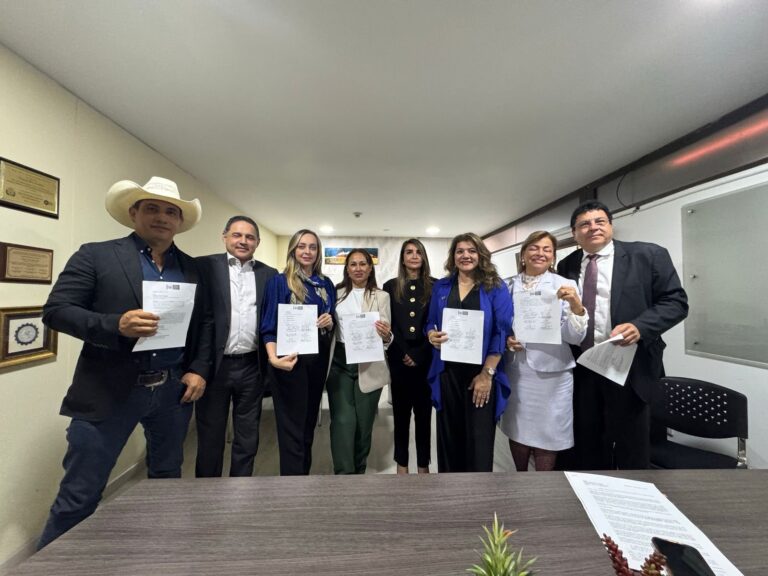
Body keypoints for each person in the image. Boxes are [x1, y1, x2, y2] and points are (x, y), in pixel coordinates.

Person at [37, 176, 212, 548]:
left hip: (171, 392)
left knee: (166, 478)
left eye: (170, 211)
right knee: (79, 495)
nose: (162, 217)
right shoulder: (96, 255)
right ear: (133, 213)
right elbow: (56, 311)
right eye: (151, 208)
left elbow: (205, 323)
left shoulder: (193, 268)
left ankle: (158, 554)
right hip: (107, 391)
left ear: (179, 221)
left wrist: (197, 368)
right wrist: (114, 324)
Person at [556, 200, 688, 470]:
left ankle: (633, 501)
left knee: (633, 444)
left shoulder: (648, 255)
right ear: (574, 233)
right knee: (589, 441)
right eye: (584, 224)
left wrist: (641, 327)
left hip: (631, 367)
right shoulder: (567, 265)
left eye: (599, 221)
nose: (593, 228)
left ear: (611, 226)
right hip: (585, 367)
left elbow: (676, 303)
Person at [194, 216, 277, 477]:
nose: (243, 241)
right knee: (210, 436)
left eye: (250, 237)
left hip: (252, 366)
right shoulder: (204, 267)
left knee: (248, 437)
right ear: (225, 236)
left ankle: (241, 492)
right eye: (237, 235)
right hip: (215, 367)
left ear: (257, 242)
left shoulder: (268, 274)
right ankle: (207, 494)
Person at [498, 231, 587, 471]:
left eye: (547, 249)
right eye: (534, 248)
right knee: (518, 428)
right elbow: (500, 324)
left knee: (549, 432)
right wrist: (506, 339)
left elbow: (574, 337)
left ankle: (543, 483)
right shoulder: (507, 285)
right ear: (524, 254)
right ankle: (520, 477)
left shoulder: (565, 286)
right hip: (517, 371)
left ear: (553, 256)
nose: (540, 253)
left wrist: (577, 307)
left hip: (553, 374)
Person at [426, 233, 513, 473]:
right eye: (460, 251)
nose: (466, 255)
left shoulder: (495, 287)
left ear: (481, 254)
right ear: (453, 256)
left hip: (481, 374)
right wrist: (431, 335)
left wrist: (487, 374)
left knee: (478, 439)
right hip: (447, 372)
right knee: (449, 437)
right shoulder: (442, 286)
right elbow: (431, 322)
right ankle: (450, 496)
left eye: (471, 251)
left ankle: (478, 498)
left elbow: (501, 331)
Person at [259, 229, 335, 475]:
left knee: (308, 424)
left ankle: (304, 478)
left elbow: (332, 320)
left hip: (318, 361)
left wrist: (329, 321)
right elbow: (268, 327)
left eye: (313, 247)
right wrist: (273, 359)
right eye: (302, 246)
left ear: (318, 252)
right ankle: (291, 485)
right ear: (293, 249)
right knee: (291, 428)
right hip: (288, 362)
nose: (307, 251)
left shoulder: (326, 284)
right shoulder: (279, 283)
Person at [326, 249, 392, 474]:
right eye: (353, 264)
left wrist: (386, 335)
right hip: (339, 363)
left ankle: (359, 470)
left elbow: (388, 336)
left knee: (364, 425)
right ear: (347, 268)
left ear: (370, 267)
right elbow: (329, 329)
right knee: (343, 421)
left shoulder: (381, 296)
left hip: (369, 363)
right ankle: (344, 474)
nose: (358, 268)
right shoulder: (335, 293)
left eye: (363, 264)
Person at [383, 239, 435, 474]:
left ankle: (423, 465)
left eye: (418, 252)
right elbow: (388, 324)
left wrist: (420, 354)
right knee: (401, 417)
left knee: (424, 417)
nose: (414, 256)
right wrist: (402, 353)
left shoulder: (436, 286)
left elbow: (436, 323)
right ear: (402, 258)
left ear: (423, 257)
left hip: (426, 361)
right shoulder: (390, 286)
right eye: (408, 252)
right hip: (399, 361)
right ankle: (401, 465)